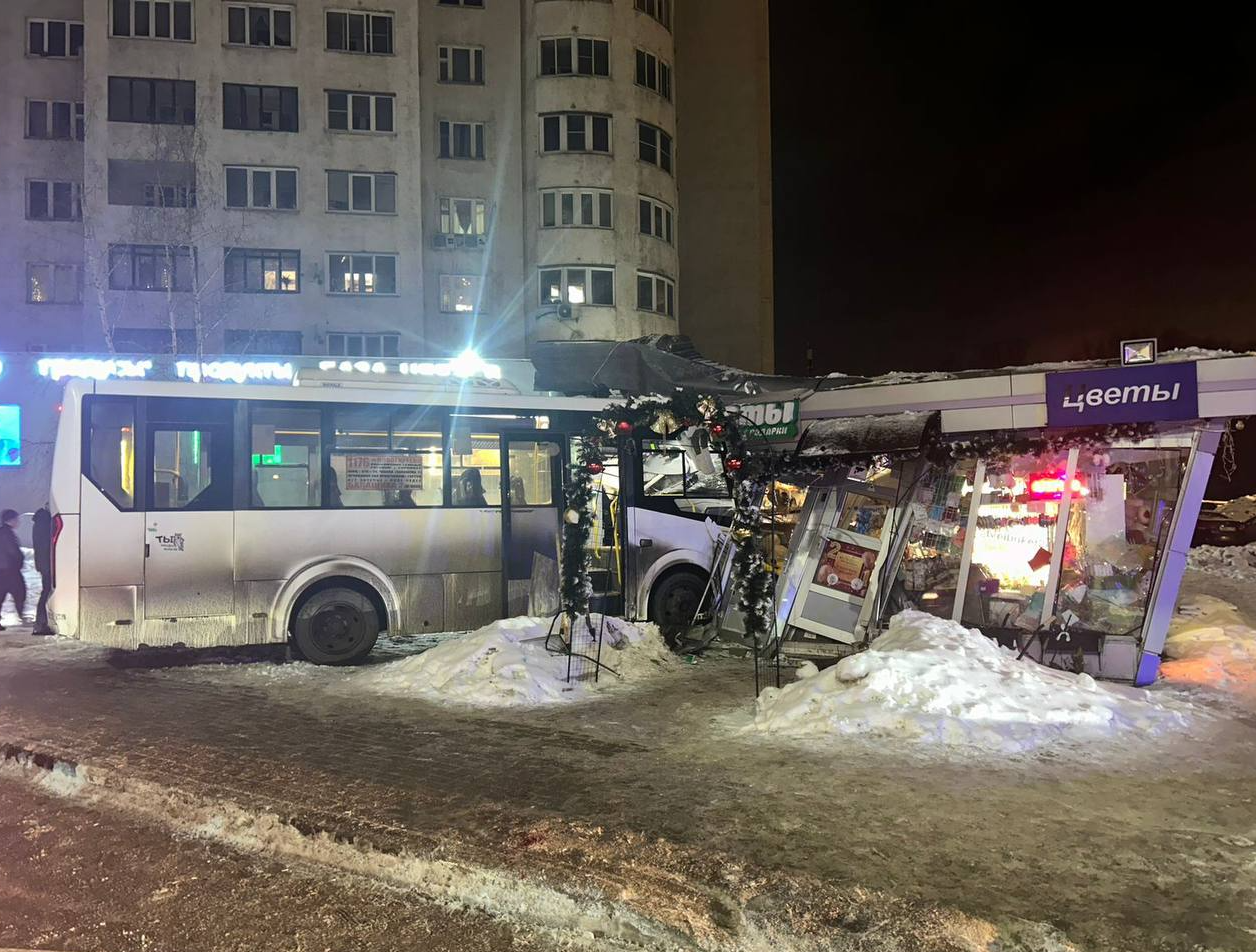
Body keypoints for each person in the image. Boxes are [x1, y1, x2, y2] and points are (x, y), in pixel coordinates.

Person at [0, 509, 26, 631]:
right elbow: (12, 551)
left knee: (4, 594)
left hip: (5, 569)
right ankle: (21, 615)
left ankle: (21, 614)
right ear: (11, 520)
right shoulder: (7, 533)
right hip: (9, 569)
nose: (18, 522)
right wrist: (20, 558)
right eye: (17, 519)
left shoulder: (4, 532)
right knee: (20, 591)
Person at [32, 505, 54, 635]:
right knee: (46, 592)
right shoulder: (44, 522)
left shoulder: (40, 521)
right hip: (46, 563)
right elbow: (45, 546)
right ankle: (41, 624)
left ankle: (41, 623)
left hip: (44, 563)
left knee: (46, 592)